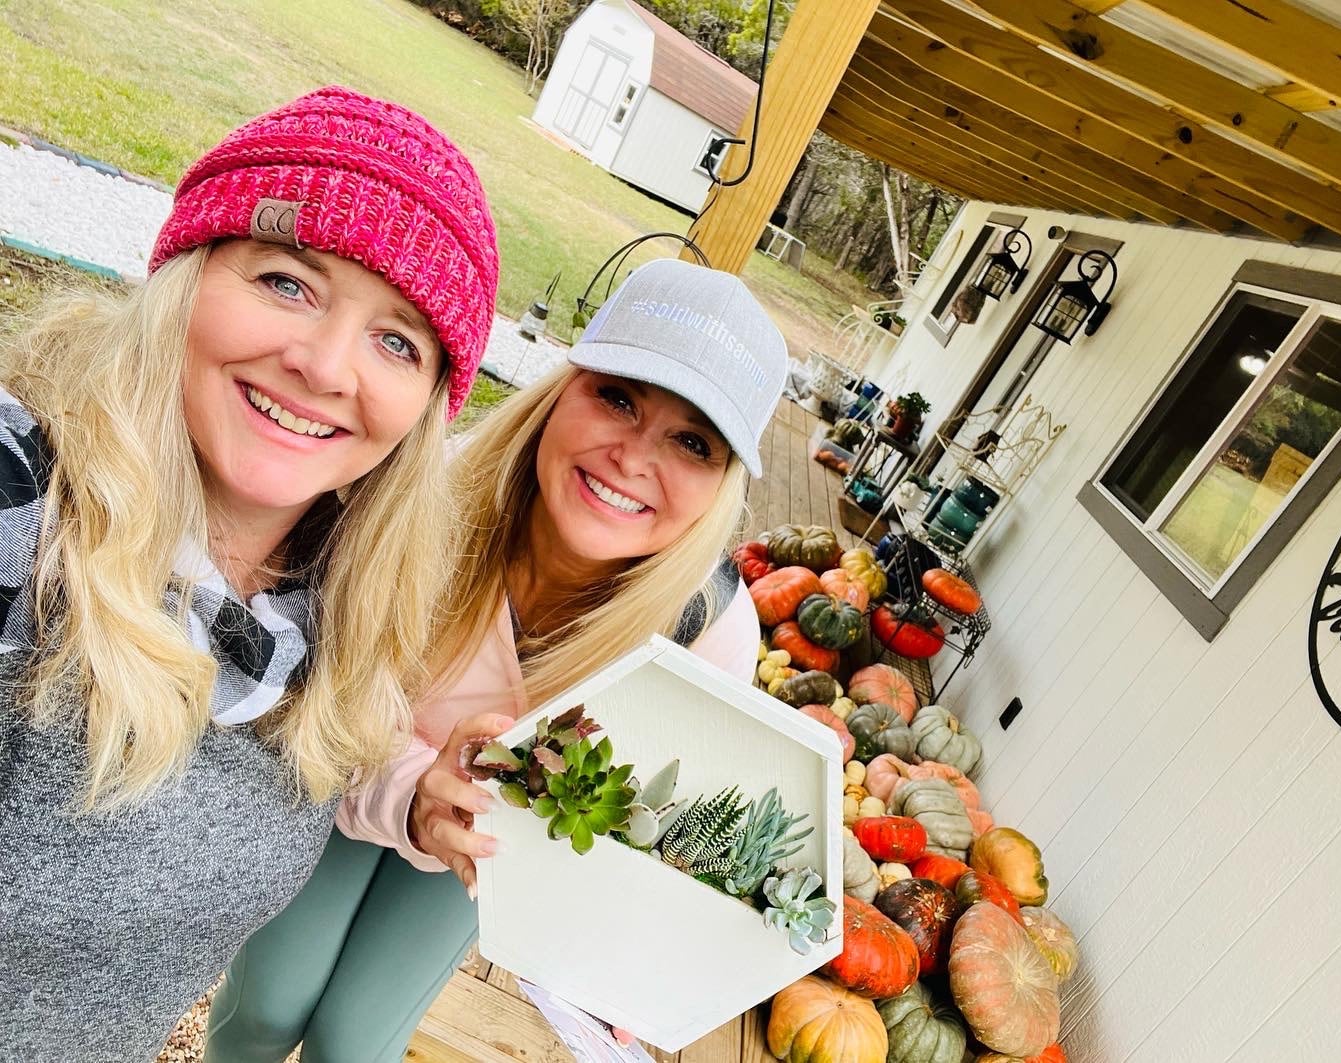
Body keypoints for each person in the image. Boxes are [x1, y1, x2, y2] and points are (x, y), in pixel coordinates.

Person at [0, 86, 500, 1063]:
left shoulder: (330, 603)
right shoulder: (25, 509)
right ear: (190, 272)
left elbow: (315, 752)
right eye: (286, 281)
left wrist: (412, 795)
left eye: (397, 340)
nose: (323, 365)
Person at [204, 258, 787, 1062]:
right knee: (270, 998)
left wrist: (641, 955)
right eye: (617, 397)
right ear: (563, 389)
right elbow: (315, 688)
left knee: (356, 1040)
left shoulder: (709, 630)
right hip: (343, 765)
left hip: (489, 847)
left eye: (692, 442)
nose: (633, 457)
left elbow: (683, 832)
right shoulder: (428, 495)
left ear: (723, 482)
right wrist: (411, 787)